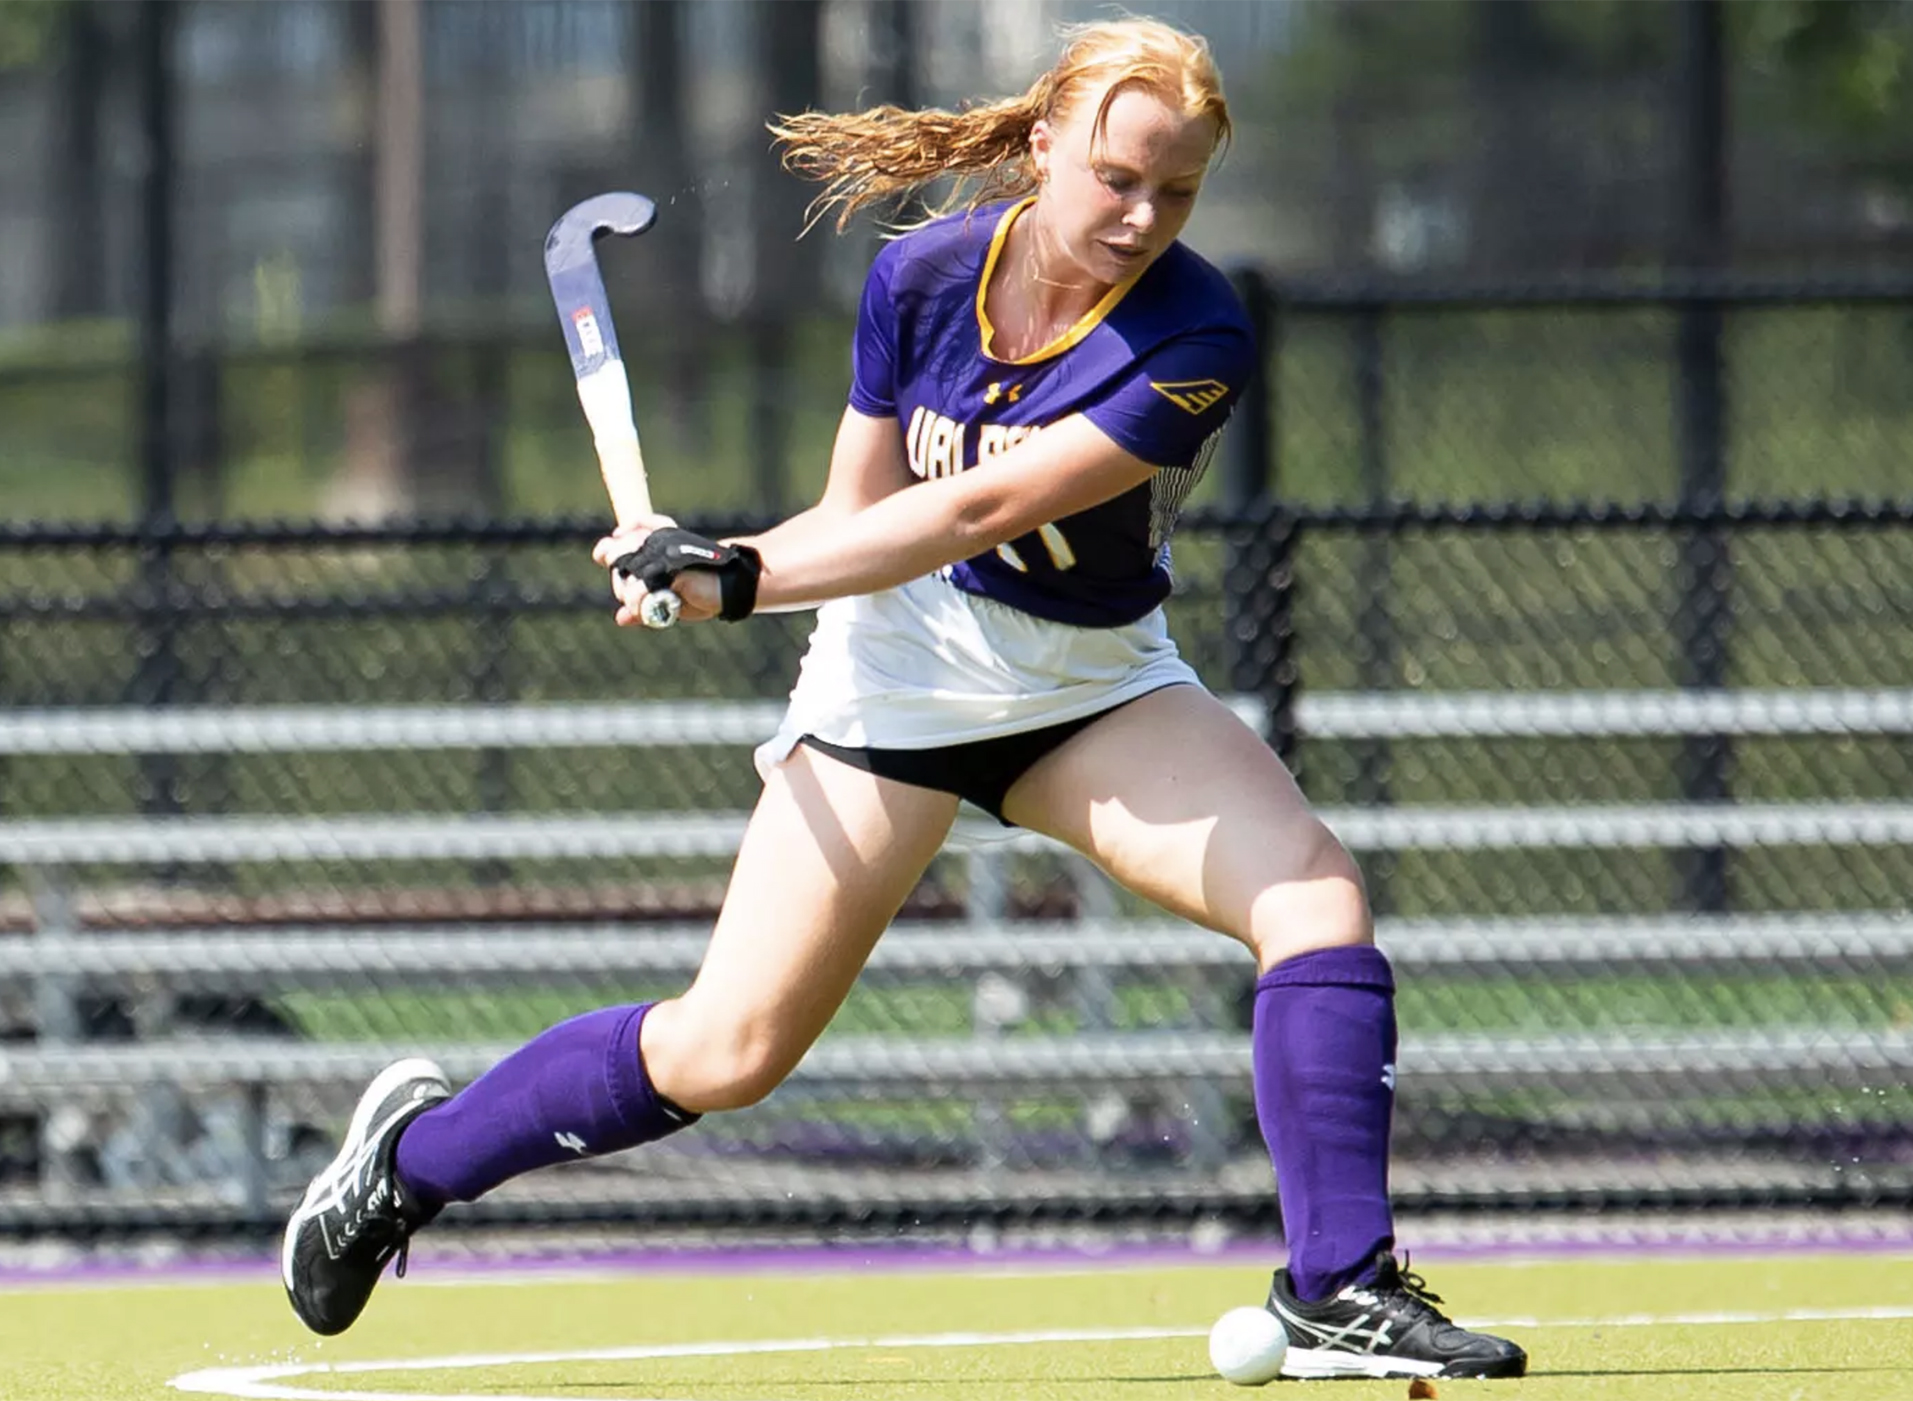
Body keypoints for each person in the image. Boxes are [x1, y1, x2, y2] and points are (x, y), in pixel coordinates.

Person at [280, 17, 1526, 1382]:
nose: (1140, 216)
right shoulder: (923, 277)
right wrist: (707, 571)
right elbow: (855, 517)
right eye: (1116, 177)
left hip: (1091, 685)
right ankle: (404, 1168)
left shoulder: (1196, 328)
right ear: (1044, 145)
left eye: (1175, 190)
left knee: (1310, 896)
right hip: (900, 682)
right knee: (728, 1046)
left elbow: (980, 504)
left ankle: (1334, 1285)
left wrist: (742, 575)